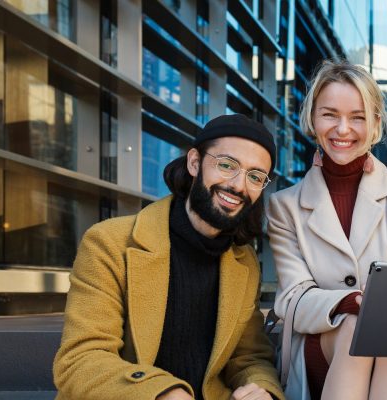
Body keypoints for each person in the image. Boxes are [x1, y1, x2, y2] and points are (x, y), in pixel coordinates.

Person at [53, 114, 284, 400]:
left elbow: (249, 359)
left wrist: (262, 390)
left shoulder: (244, 260)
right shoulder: (109, 242)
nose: (239, 185)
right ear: (194, 163)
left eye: (255, 176)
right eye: (227, 165)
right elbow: (80, 360)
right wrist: (162, 392)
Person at [266, 59, 387, 400]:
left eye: (358, 117)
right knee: (356, 328)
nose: (342, 129)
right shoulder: (284, 206)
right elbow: (293, 300)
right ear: (311, 118)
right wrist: (353, 302)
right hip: (325, 343)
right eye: (330, 114)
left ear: (376, 123)